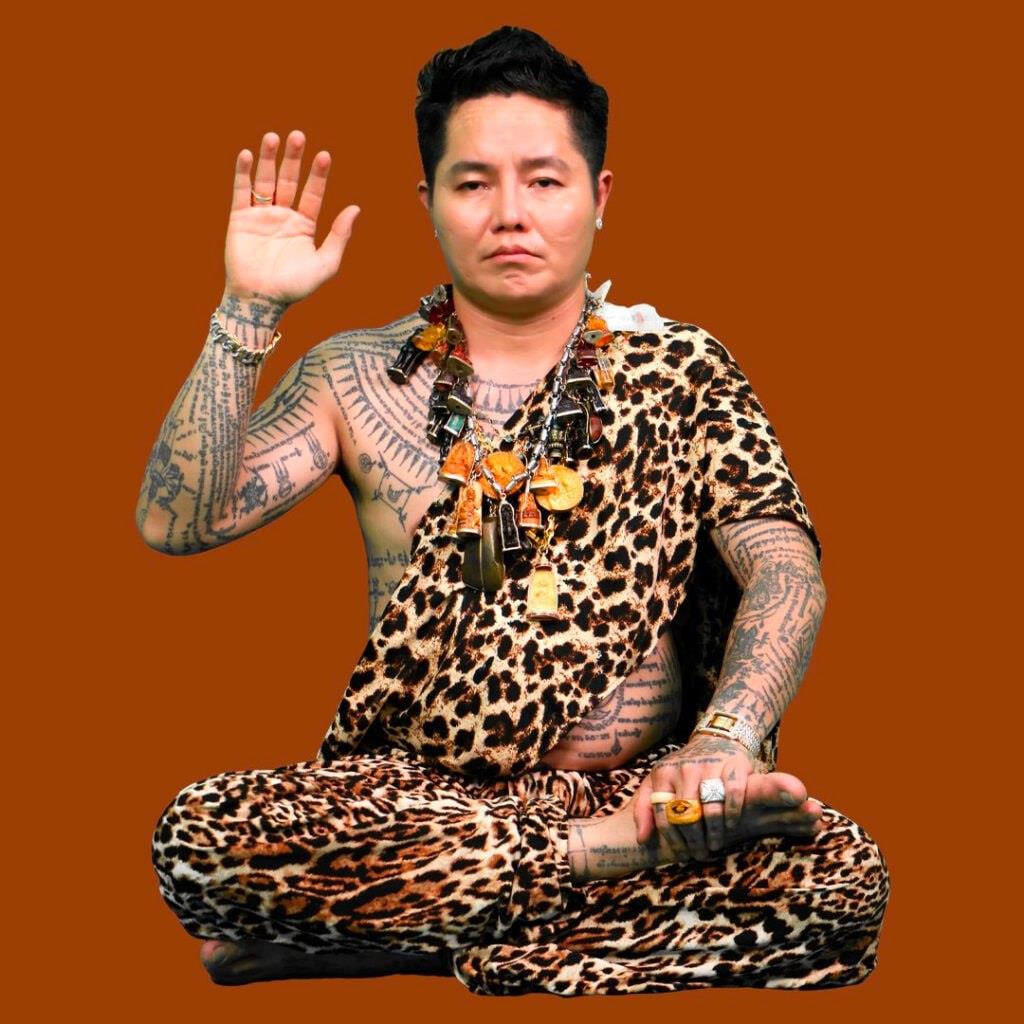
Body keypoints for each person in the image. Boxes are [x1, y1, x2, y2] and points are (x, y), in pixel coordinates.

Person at [141, 26, 889, 996]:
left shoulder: (682, 370)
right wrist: (247, 310)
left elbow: (784, 565)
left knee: (842, 878)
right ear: (428, 202)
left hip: (646, 791)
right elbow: (178, 523)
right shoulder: (353, 375)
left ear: (599, 196)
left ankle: (396, 929)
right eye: (471, 183)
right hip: (416, 800)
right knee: (202, 840)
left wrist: (724, 739)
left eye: (543, 180)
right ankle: (593, 867)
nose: (509, 214)